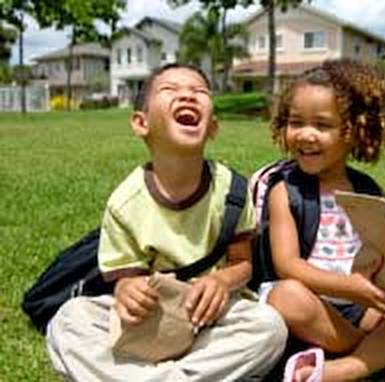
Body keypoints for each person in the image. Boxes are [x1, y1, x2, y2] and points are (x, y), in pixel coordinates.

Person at [45, 63, 287, 382]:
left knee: (268, 326)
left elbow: (243, 264)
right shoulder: (124, 202)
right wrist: (128, 289)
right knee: (69, 320)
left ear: (212, 127)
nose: (188, 95)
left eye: (200, 91)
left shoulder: (234, 191)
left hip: (210, 319)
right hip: (148, 323)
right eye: (170, 90)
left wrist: (221, 282)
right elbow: (125, 279)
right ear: (141, 122)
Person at [260, 59, 385, 381]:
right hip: (315, 307)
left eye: (322, 126)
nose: (306, 135)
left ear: (354, 130)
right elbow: (288, 265)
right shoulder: (285, 190)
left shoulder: (368, 190)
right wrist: (350, 288)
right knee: (286, 295)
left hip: (366, 306)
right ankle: (384, 356)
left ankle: (338, 370)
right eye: (296, 122)